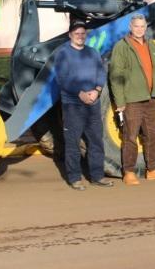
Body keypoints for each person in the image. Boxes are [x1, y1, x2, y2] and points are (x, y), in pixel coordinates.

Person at [109, 14, 155, 185]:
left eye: (142, 26)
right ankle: (128, 172)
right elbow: (115, 75)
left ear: (146, 27)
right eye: (136, 26)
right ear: (131, 27)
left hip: (151, 98)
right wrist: (120, 102)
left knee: (154, 135)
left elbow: (154, 64)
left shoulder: (151, 45)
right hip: (132, 100)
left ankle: (152, 169)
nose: (139, 29)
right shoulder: (122, 47)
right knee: (130, 137)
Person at [54, 20, 114, 190]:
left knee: (96, 140)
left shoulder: (92, 52)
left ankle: (97, 176)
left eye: (82, 33)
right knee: (72, 142)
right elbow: (62, 78)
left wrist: (97, 90)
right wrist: (79, 92)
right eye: (76, 33)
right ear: (70, 35)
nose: (80, 36)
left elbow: (100, 72)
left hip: (92, 103)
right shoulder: (63, 53)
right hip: (73, 105)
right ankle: (74, 178)